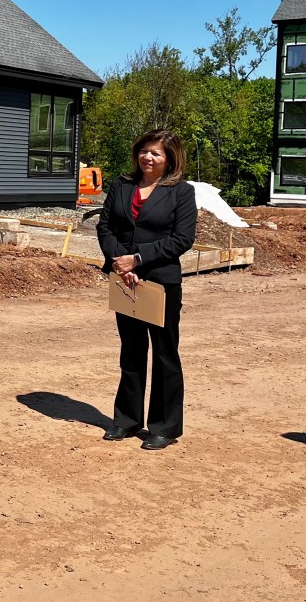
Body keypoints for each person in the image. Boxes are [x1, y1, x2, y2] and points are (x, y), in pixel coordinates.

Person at [95, 129, 197, 451]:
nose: (148, 157)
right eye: (144, 151)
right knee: (131, 352)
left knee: (165, 355)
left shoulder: (182, 192)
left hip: (159, 283)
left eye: (156, 153)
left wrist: (137, 259)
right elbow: (105, 226)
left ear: (169, 159)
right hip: (124, 280)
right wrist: (119, 262)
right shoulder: (121, 186)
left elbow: (182, 239)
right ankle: (126, 419)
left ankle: (164, 427)